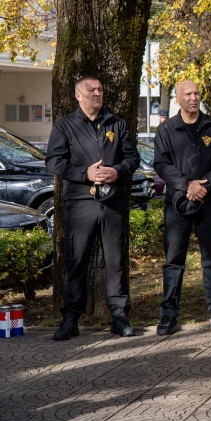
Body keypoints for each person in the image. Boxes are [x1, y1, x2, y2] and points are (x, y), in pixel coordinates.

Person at [46, 76, 141, 340]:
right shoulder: (65, 125)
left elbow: (133, 158)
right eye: (92, 90)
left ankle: (119, 316)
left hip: (112, 202)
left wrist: (117, 171)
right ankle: (70, 319)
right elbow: (54, 162)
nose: (97, 93)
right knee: (77, 261)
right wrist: (84, 174)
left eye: (100, 89)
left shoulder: (116, 123)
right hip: (80, 203)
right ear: (78, 95)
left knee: (116, 260)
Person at [153, 80, 211, 336]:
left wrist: (205, 185)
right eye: (188, 94)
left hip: (209, 201)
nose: (193, 97)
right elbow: (161, 164)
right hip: (179, 203)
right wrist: (187, 184)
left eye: (197, 93)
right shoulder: (167, 129)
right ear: (177, 98)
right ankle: (168, 314)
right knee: (173, 261)